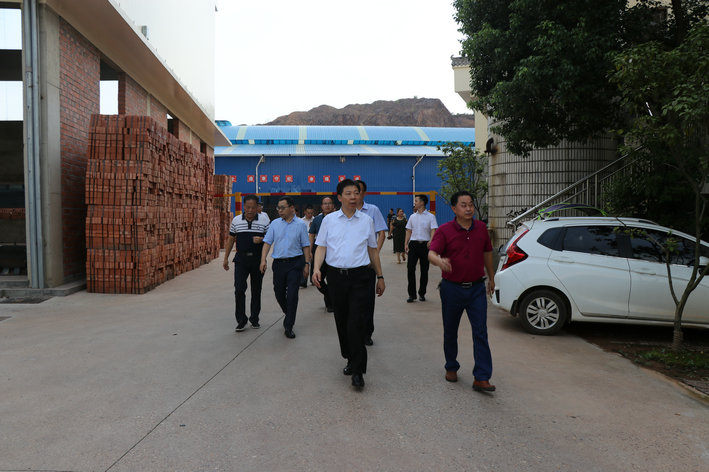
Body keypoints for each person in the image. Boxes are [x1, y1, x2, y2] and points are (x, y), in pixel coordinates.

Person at [312, 179, 385, 389]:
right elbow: (321, 247)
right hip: (336, 277)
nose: (353, 197)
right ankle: (350, 358)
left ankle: (358, 371)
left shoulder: (366, 221)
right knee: (342, 321)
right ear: (339, 197)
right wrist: (317, 268)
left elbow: (372, 250)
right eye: (348, 193)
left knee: (356, 322)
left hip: (361, 277)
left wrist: (380, 276)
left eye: (356, 192)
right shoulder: (329, 220)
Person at [428, 190, 496, 393]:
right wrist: (439, 261)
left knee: (480, 332)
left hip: (476, 289)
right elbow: (432, 253)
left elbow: (487, 252)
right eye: (464, 205)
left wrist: (491, 277)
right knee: (450, 330)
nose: (469, 209)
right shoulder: (445, 230)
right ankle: (451, 366)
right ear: (454, 208)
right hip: (452, 289)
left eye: (471, 205)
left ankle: (482, 377)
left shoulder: (481, 228)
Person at [260, 197, 311, 339]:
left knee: (293, 294)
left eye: (283, 207)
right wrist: (263, 260)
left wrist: (307, 264)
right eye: (278, 208)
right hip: (279, 264)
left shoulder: (300, 224)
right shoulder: (274, 224)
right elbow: (267, 242)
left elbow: (305, 245)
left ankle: (289, 325)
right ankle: (289, 313)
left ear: (291, 208)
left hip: (295, 263)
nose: (280, 210)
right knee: (279, 293)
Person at [223, 195, 270, 331]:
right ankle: (241, 320)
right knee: (239, 289)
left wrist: (261, 240)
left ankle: (254, 319)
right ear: (244, 206)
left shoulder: (264, 221)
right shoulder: (236, 220)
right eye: (247, 207)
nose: (250, 210)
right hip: (241, 260)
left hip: (257, 260)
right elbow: (231, 239)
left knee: (256, 290)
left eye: (253, 207)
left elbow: (270, 239)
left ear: (257, 207)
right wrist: (226, 258)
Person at [356, 180, 388, 346]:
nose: (355, 195)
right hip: (349, 264)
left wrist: (375, 252)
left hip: (367, 263)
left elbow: (381, 233)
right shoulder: (344, 212)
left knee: (368, 301)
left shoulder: (372, 210)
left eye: (359, 191)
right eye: (352, 192)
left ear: (364, 193)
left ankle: (367, 332)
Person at [405, 194, 438, 302]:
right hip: (413, 244)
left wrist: (431, 241)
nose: (414, 202)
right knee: (410, 269)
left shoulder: (430, 216)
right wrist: (406, 243)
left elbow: (433, 230)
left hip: (425, 245)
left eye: (416, 200)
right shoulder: (412, 217)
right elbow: (409, 230)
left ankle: (422, 293)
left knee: (424, 270)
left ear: (422, 202)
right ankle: (412, 295)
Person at [309, 195, 336, 312]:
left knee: (332, 279)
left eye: (329, 203)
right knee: (316, 279)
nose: (327, 205)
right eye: (325, 203)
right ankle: (329, 296)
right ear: (321, 206)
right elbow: (311, 235)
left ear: (333, 205)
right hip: (319, 249)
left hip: (333, 250)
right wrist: (310, 251)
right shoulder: (317, 219)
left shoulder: (338, 218)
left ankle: (330, 304)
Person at [300, 205, 316, 287]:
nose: (310, 214)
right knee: (304, 261)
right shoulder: (301, 221)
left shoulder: (315, 220)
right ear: (305, 212)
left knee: (314, 261)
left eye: (311, 213)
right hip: (303, 243)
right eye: (308, 213)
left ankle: (314, 280)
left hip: (314, 242)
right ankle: (303, 281)